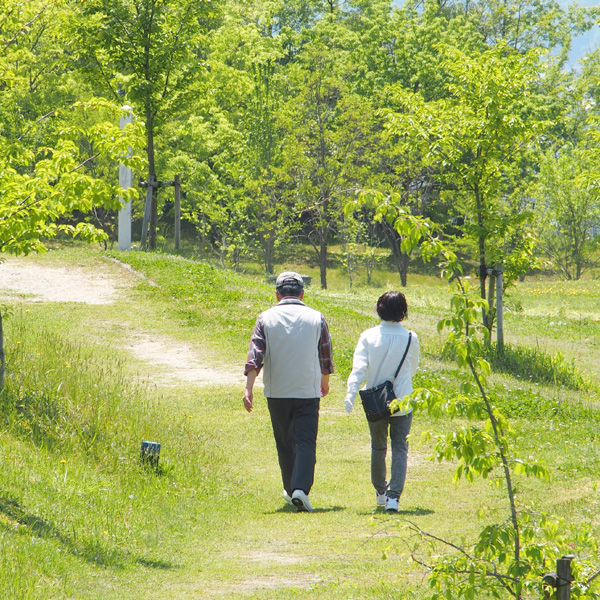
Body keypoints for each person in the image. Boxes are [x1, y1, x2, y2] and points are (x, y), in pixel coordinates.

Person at [243, 271, 334, 512]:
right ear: (303, 293)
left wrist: (249, 388)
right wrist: (324, 380)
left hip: (277, 391)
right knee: (305, 441)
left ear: (277, 294)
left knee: (284, 442)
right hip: (307, 390)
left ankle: (291, 488)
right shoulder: (317, 318)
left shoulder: (265, 318)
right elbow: (325, 354)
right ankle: (300, 490)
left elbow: (256, 356)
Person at [344, 291, 420, 513]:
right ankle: (394, 497)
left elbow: (359, 369)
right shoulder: (410, 337)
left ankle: (380, 492)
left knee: (378, 447)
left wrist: (351, 392)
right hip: (403, 399)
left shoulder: (368, 335)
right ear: (403, 311)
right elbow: (413, 368)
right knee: (400, 448)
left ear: (379, 309)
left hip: (376, 401)